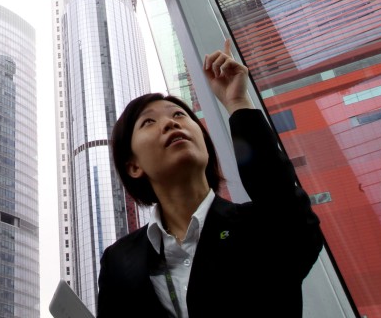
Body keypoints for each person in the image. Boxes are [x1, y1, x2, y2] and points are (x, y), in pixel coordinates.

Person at [96, 43, 323, 317]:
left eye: (179, 114)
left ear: (203, 143)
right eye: (149, 122)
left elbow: (280, 195)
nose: (171, 123)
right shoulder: (118, 260)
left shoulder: (262, 226)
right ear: (133, 166)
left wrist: (237, 103)